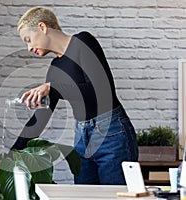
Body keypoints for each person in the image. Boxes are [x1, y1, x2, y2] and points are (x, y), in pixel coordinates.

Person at [9, 6, 138, 185]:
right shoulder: (55, 69)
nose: (29, 47)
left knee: (117, 197)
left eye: (28, 39)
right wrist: (11, 154)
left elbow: (102, 91)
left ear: (42, 27)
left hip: (112, 135)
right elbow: (40, 117)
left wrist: (52, 87)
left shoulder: (82, 42)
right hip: (81, 139)